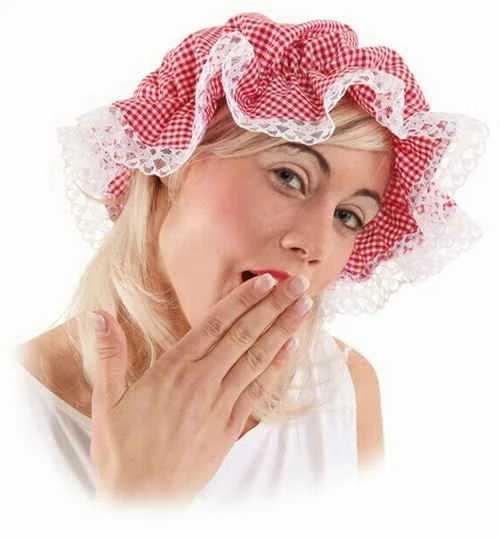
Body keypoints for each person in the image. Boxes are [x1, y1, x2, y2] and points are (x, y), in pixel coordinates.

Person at [11, 12, 487, 506]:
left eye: (348, 216)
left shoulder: (345, 394)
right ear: (177, 158)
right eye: (289, 177)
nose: (315, 244)